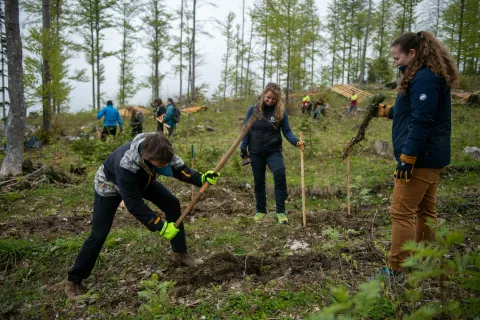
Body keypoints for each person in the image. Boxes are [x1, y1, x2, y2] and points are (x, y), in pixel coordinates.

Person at [65, 132, 220, 300]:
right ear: (146, 157)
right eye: (161, 163)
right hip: (109, 186)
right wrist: (160, 225)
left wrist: (200, 178)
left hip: (141, 181)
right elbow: (133, 204)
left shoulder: (161, 149)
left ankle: (179, 253)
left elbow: (180, 170)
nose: (165, 164)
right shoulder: (126, 163)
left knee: (172, 203)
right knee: (98, 234)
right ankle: (73, 281)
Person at [373, 31, 458, 283]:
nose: (395, 62)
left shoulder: (424, 78)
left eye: (397, 58)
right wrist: (389, 112)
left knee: (401, 212)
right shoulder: (425, 76)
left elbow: (422, 119)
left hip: (421, 157)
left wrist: (407, 157)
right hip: (432, 156)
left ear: (412, 54)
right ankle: (424, 261)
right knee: (425, 211)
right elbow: (413, 110)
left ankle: (396, 270)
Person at [240, 82, 305, 224]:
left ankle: (280, 211)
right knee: (259, 181)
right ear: (264, 95)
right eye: (268, 97)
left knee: (280, 174)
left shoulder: (281, 113)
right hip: (255, 152)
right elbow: (246, 129)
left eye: (273, 99)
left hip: (273, 151)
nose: (270, 101)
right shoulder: (254, 110)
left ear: (277, 99)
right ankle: (261, 210)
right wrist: (243, 147)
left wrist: (296, 142)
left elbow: (287, 131)